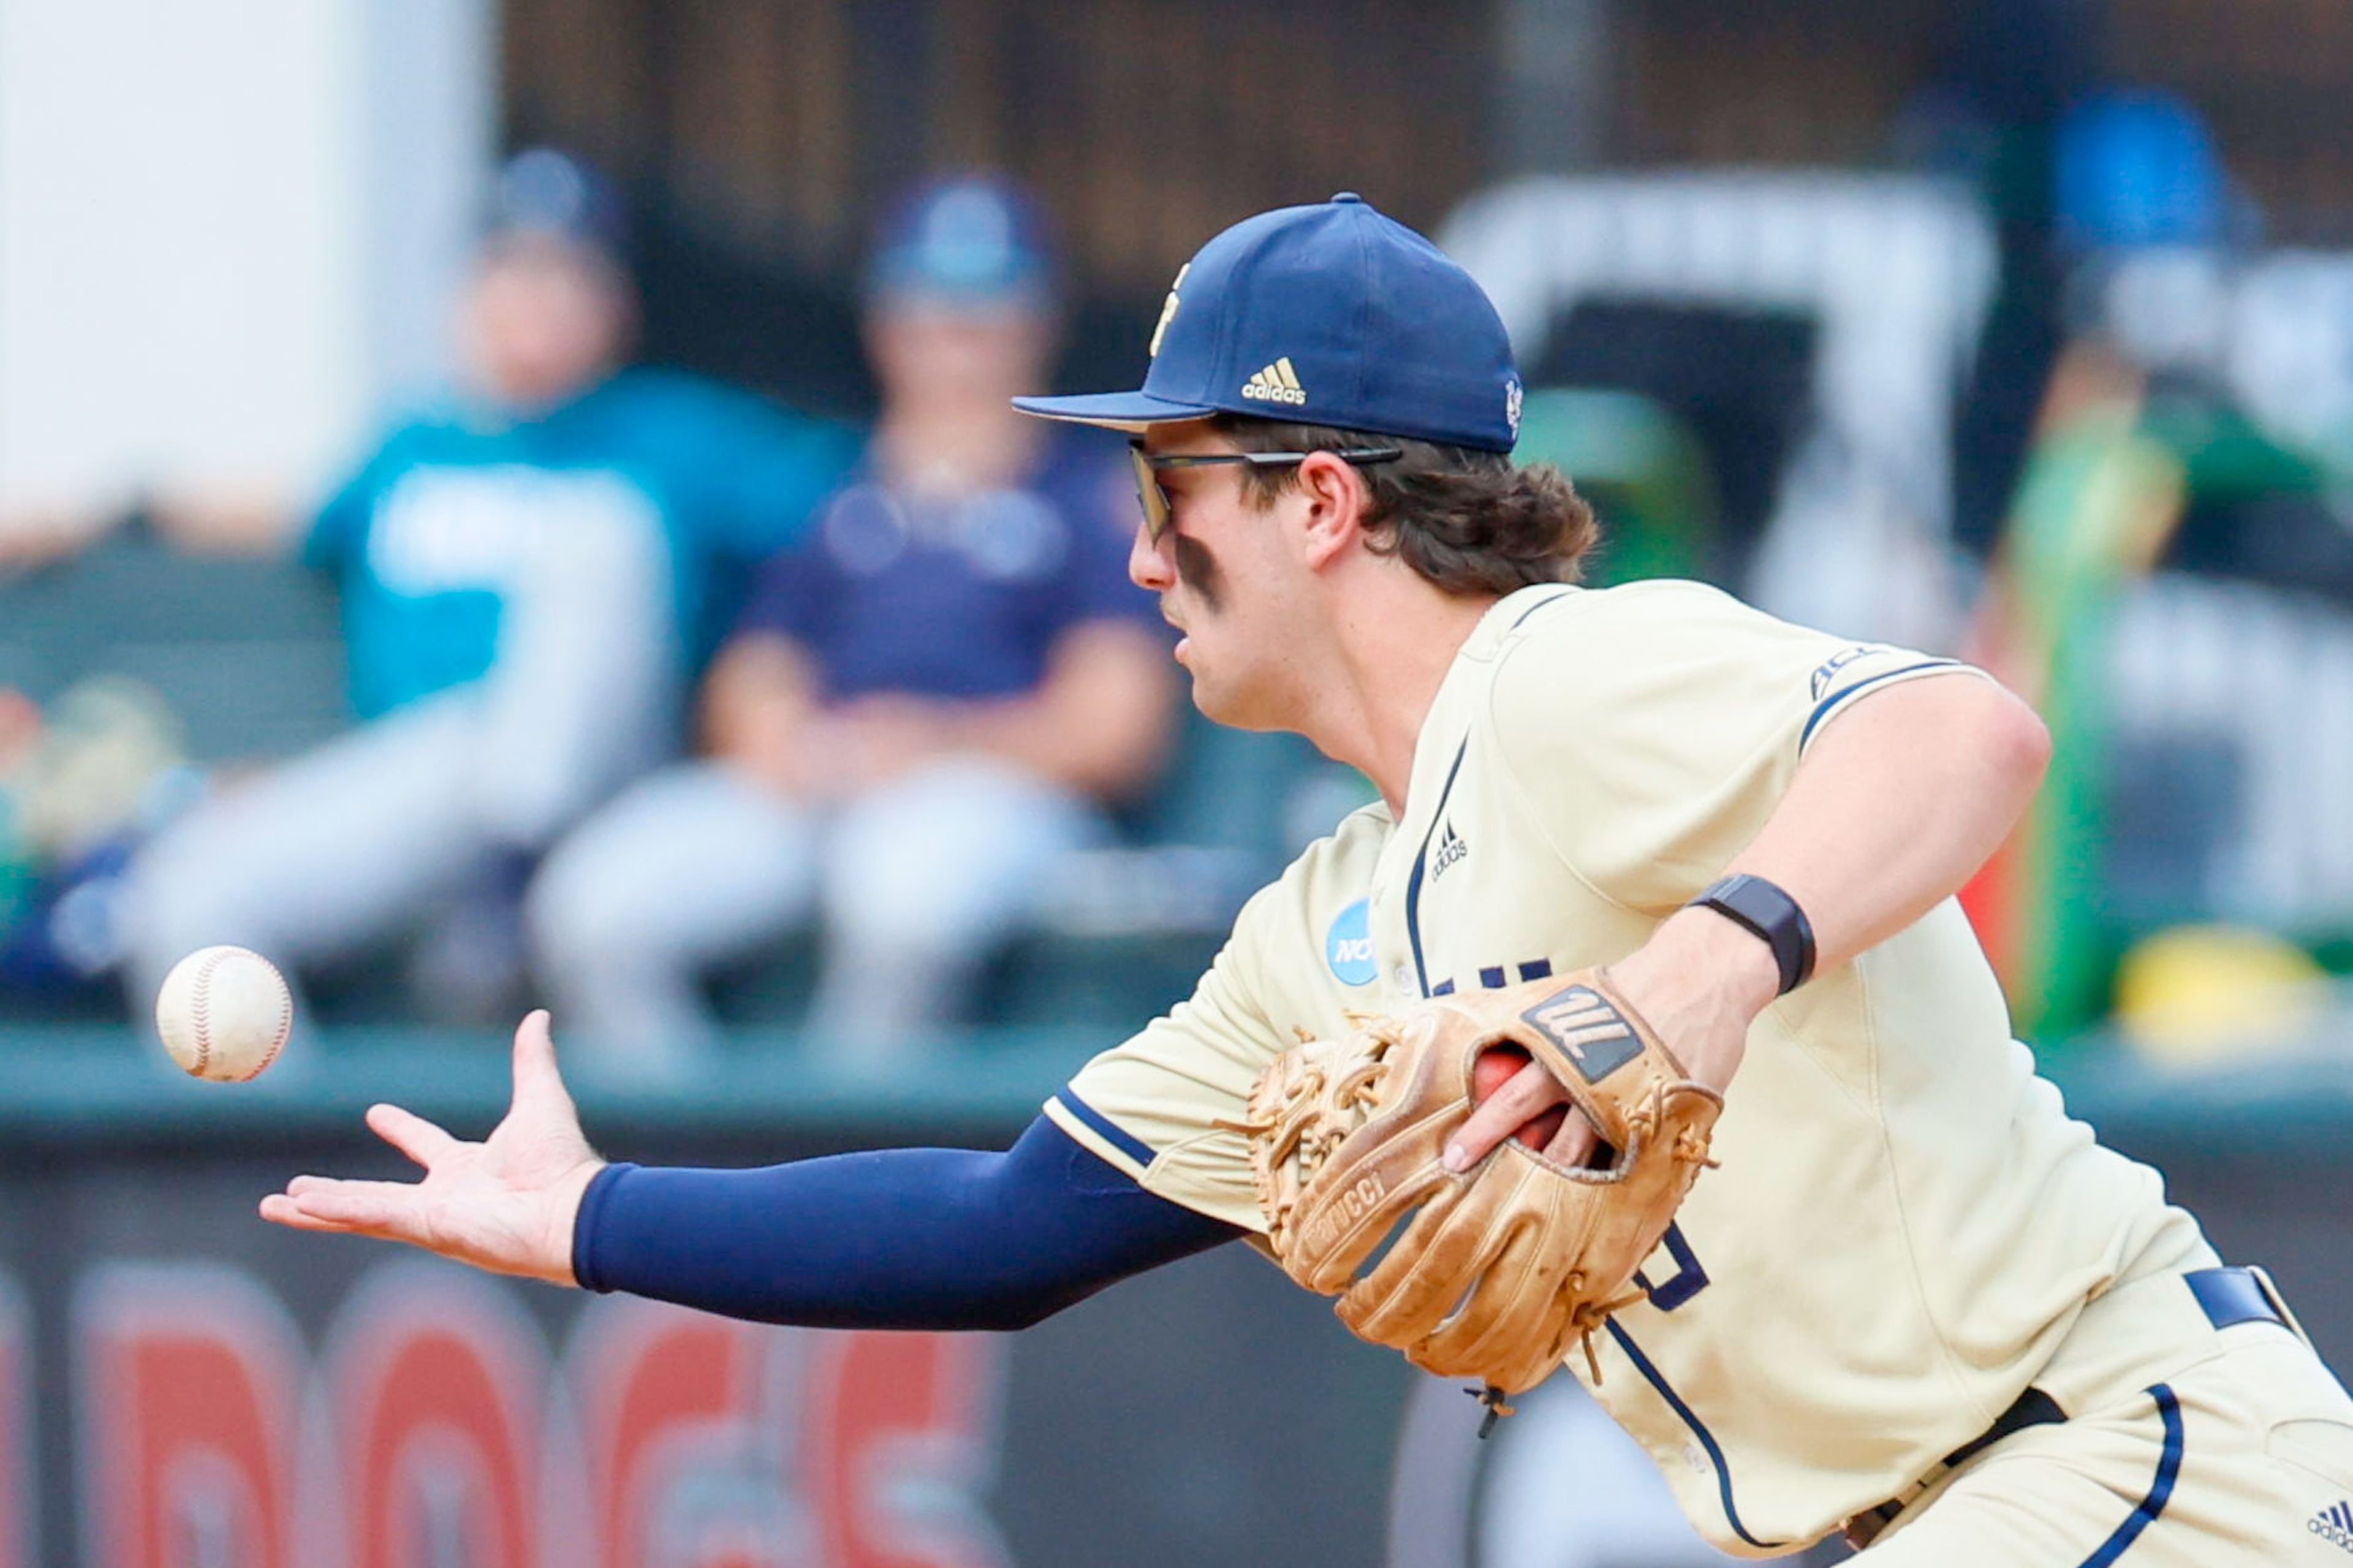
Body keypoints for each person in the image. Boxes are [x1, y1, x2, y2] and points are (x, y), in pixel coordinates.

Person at [261, 195, 2353, 1562]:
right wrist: (590, 1217)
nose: (1144, 552)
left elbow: (1967, 734)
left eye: (1178, 494)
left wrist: (1708, 972)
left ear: (1322, 498)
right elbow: (1004, 1228)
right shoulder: (1326, 934)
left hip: (2124, 1465)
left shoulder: (1567, 674)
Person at [120, 149, 855, 1025]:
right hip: (423, 784)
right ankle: (303, 1153)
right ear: (468, 295)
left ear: (614, 306)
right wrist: (95, 515)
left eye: (565, 275)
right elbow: (287, 513)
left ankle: (509, 889)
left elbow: (874, 509)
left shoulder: (675, 428)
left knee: (600, 532)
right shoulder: (415, 441)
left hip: (608, 780)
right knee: (186, 905)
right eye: (514, 269)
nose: (537, 300)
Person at [524, 175, 1174, 1074]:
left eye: (983, 315)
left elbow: (1114, 727)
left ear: (1035, 328)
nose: (956, 346)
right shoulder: (840, 491)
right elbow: (751, 676)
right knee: (596, 906)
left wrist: (936, 743)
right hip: (821, 787)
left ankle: (833, 1193)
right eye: (931, 314)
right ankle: (692, 1178)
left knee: (903, 893)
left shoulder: (1082, 499)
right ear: (886, 329)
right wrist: (785, 736)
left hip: (993, 794)